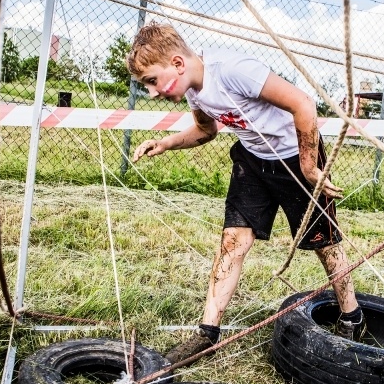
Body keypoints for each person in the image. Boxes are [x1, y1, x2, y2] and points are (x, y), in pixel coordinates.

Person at [127, 22, 364, 364]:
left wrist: (310, 166)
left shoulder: (235, 71)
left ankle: (351, 315)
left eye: (151, 81)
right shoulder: (194, 91)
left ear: (177, 64)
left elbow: (304, 105)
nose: (151, 92)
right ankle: (207, 332)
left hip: (295, 158)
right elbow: (205, 130)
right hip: (253, 160)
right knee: (232, 241)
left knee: (324, 244)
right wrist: (165, 143)